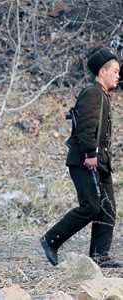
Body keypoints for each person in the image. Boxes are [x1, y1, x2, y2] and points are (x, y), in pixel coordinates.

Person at [41, 47, 121, 268]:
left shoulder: (101, 94)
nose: (118, 75)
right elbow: (85, 128)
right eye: (114, 71)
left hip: (100, 161)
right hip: (86, 160)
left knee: (107, 208)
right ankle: (51, 239)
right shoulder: (93, 93)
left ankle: (99, 255)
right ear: (102, 72)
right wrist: (91, 154)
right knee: (91, 207)